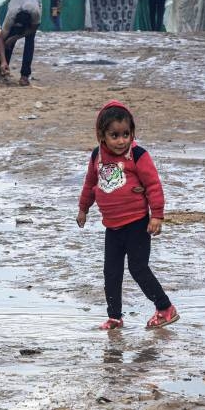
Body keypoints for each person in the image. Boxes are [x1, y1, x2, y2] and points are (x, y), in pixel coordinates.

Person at [76, 101, 178, 330]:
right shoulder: (97, 156)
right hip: (112, 227)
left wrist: (157, 215)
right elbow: (90, 184)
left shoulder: (138, 155)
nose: (121, 141)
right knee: (111, 272)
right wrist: (83, 209)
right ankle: (114, 317)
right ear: (101, 135)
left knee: (138, 268)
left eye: (126, 135)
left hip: (137, 224)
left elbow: (153, 185)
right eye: (115, 135)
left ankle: (165, 308)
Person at [0, 0, 41, 87]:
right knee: (7, 40)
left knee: (29, 41)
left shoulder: (35, 13)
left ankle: (25, 76)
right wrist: (3, 60)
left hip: (34, 0)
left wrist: (15, 38)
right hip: (17, 0)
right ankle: (3, 69)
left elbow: (33, 29)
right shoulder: (11, 16)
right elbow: (0, 39)